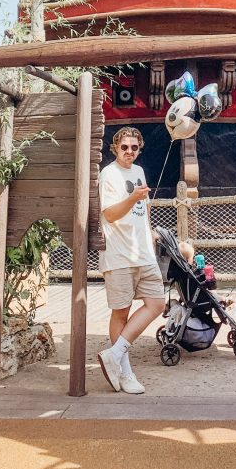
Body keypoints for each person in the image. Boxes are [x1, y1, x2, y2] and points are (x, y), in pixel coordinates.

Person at [97, 126, 165, 395]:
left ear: (139, 149)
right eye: (124, 147)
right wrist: (133, 197)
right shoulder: (109, 174)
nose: (129, 151)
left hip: (143, 251)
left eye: (134, 147)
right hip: (119, 252)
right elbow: (110, 214)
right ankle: (124, 372)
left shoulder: (139, 171)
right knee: (121, 312)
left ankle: (113, 355)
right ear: (115, 148)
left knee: (157, 303)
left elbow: (143, 209)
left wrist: (149, 232)